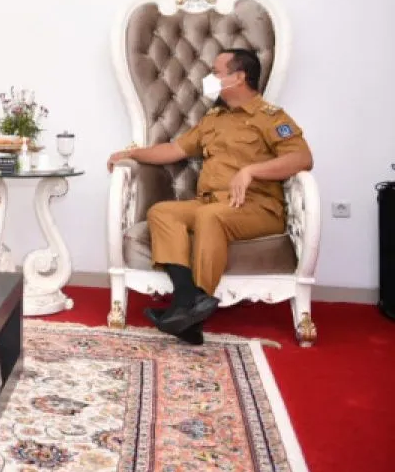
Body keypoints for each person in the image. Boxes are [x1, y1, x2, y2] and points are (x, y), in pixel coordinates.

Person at [107, 48, 313, 345]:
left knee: (209, 216)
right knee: (162, 212)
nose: (209, 78)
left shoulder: (270, 118)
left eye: (216, 72)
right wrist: (132, 153)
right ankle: (187, 300)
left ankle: (191, 308)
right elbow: (175, 150)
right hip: (212, 203)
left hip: (256, 208)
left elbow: (302, 158)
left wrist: (251, 171)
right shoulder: (214, 118)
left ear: (239, 77)